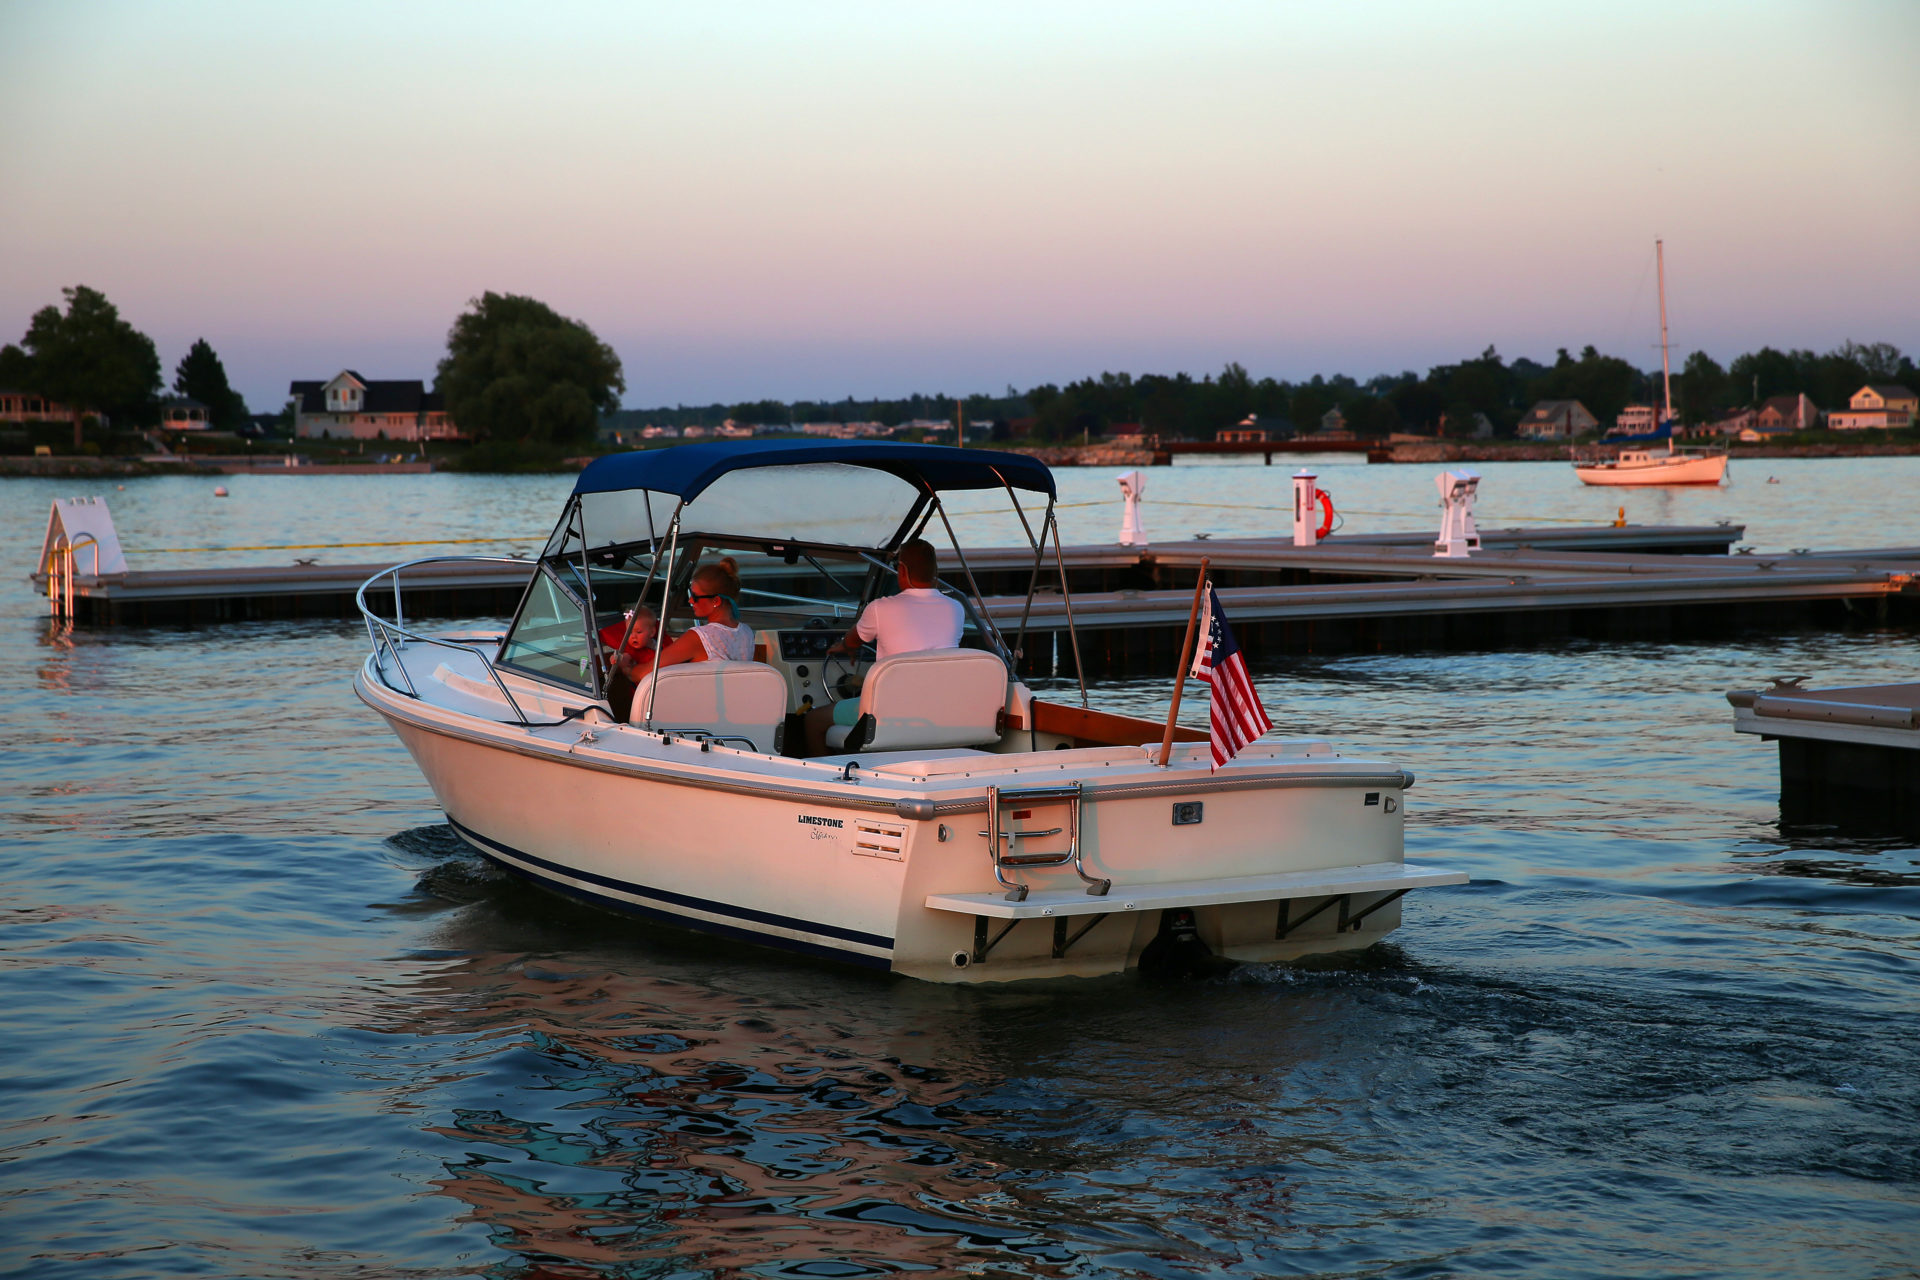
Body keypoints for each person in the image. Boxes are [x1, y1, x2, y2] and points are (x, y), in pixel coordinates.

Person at [806, 538, 963, 752]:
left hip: (890, 711)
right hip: (939, 708)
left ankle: (826, 780)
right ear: (935, 571)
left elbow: (853, 640)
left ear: (902, 570)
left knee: (812, 720)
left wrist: (842, 647)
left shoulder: (880, 608)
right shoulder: (956, 608)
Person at [652, 556, 755, 668]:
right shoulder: (747, 633)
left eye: (695, 596)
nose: (690, 600)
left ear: (716, 600)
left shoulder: (699, 637)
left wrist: (630, 668)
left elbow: (644, 672)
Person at [598, 605, 658, 722]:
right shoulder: (631, 651)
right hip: (639, 694)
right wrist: (616, 658)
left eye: (639, 632)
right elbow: (624, 657)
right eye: (629, 632)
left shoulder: (659, 646)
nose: (633, 636)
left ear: (652, 632)